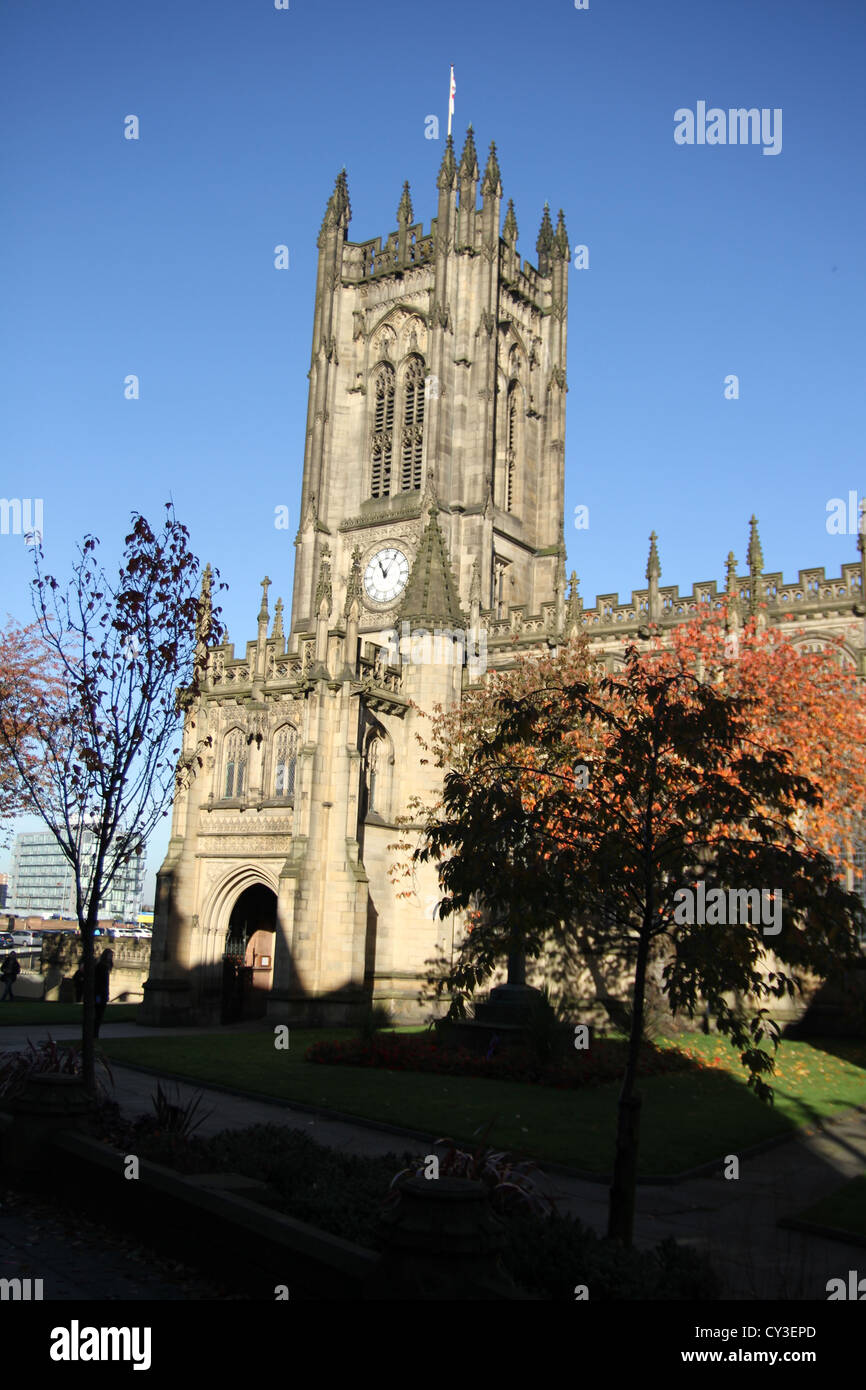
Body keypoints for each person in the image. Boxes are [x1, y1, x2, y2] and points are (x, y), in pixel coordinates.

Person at [93, 948, 114, 1037]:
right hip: (99, 993)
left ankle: (95, 1033)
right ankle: (95, 1033)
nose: (111, 958)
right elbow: (100, 982)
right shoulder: (101, 966)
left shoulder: (103, 966)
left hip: (102, 993)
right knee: (98, 1014)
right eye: (110, 956)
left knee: (99, 1014)